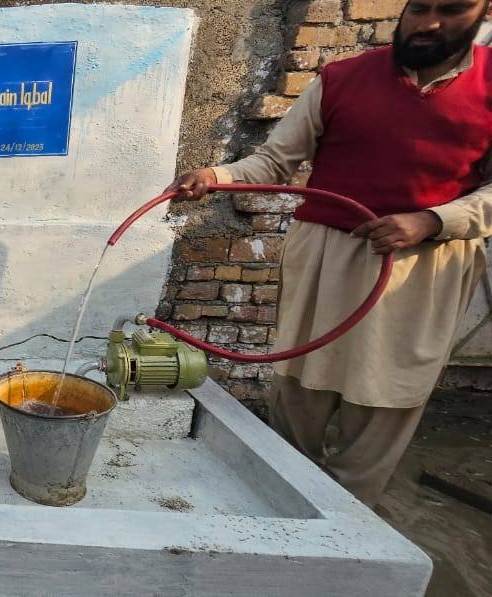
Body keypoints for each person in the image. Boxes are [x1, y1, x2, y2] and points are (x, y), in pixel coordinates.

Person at [168, 0, 492, 507]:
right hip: (327, 258)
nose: (429, 24)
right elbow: (276, 161)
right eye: (420, 8)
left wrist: (434, 220)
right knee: (299, 386)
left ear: (482, 13)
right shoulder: (343, 78)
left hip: (423, 269)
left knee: (386, 395)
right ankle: (281, 508)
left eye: (449, 11)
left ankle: (349, 519)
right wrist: (217, 176)